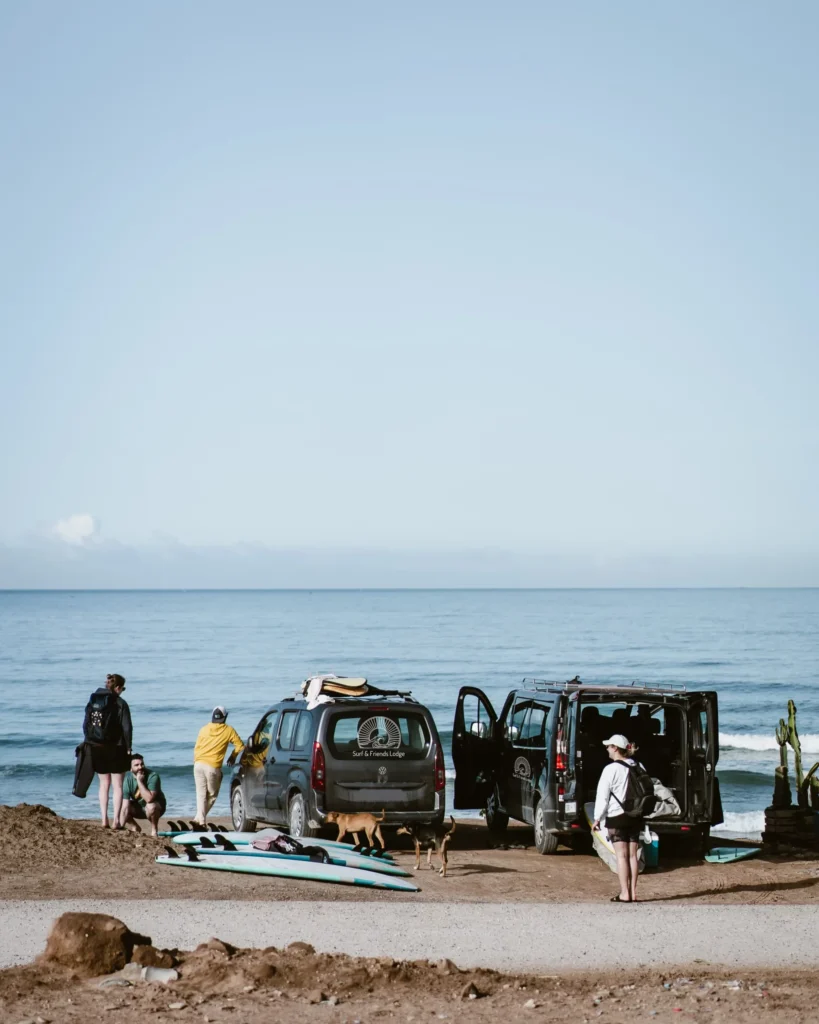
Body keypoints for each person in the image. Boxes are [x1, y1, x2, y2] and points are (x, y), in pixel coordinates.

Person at [592, 733, 644, 903]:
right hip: (636, 815)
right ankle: (634, 893)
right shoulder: (639, 766)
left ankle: (624, 893)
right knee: (632, 856)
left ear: (615, 748)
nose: (607, 749)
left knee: (621, 856)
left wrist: (597, 818)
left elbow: (603, 796)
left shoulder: (610, 769)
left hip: (617, 816)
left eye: (608, 746)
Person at [83, 673, 132, 830]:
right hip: (117, 747)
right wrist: (129, 746)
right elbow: (127, 727)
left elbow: (87, 725)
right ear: (117, 688)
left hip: (97, 746)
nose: (122, 691)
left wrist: (90, 741)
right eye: (122, 688)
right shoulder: (120, 703)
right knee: (117, 786)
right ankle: (116, 821)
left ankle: (104, 818)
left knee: (104, 784)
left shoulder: (95, 702)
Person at [192, 706, 245, 827]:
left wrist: (196, 761)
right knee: (212, 795)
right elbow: (241, 746)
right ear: (225, 717)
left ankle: (198, 819)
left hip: (198, 764)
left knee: (200, 795)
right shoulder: (228, 730)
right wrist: (233, 756)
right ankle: (201, 821)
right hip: (212, 766)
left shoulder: (203, 729)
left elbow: (196, 747)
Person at [120, 753, 166, 837]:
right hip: (140, 808)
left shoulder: (153, 776)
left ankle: (154, 831)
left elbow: (149, 799)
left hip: (157, 807)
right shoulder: (127, 780)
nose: (140, 767)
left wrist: (139, 781)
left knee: (151, 806)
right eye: (136, 765)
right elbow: (125, 806)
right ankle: (135, 827)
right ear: (130, 768)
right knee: (121, 806)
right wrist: (121, 826)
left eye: (142, 764)